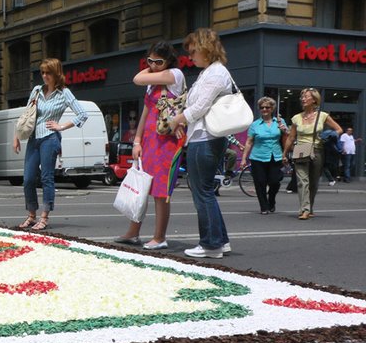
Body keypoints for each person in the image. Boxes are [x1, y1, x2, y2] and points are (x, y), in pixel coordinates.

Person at [168, 28, 233, 259]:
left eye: (193, 51)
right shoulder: (211, 72)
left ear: (206, 49)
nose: (191, 56)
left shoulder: (215, 73)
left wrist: (177, 120)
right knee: (205, 191)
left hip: (206, 137)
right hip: (205, 137)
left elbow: (199, 107)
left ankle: (211, 244)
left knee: (202, 191)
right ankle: (220, 241)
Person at [114, 41, 185, 250]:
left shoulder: (174, 75)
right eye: (150, 60)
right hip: (150, 139)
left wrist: (150, 66)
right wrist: (137, 140)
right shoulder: (153, 82)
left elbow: (137, 78)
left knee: (161, 190)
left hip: (167, 140)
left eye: (158, 61)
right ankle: (133, 232)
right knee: (142, 186)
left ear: (169, 61)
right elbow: (145, 112)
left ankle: (160, 236)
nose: (153, 65)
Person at [14, 58, 88, 231]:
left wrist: (61, 126)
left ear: (56, 74)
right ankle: (31, 215)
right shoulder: (36, 90)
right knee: (28, 179)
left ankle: (44, 217)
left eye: (48, 73)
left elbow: (82, 114)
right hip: (33, 139)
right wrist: (16, 135)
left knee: (47, 178)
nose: (45, 76)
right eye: (43, 73)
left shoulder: (64, 93)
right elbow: (27, 114)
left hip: (50, 139)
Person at [283, 88, 342, 220]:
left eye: (306, 97)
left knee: (313, 182)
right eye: (302, 97)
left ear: (314, 100)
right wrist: (284, 153)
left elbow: (339, 129)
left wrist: (331, 134)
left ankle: (309, 207)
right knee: (302, 181)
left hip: (317, 150)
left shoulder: (323, 116)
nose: (303, 99)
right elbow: (291, 138)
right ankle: (304, 209)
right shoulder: (296, 118)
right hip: (301, 148)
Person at [240, 97, 288, 214]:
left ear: (272, 109)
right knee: (260, 182)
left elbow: (288, 138)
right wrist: (243, 158)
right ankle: (264, 206)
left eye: (267, 107)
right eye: (262, 107)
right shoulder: (255, 125)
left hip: (275, 156)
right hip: (258, 157)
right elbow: (249, 141)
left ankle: (271, 200)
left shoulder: (280, 122)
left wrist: (285, 131)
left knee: (274, 181)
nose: (264, 109)